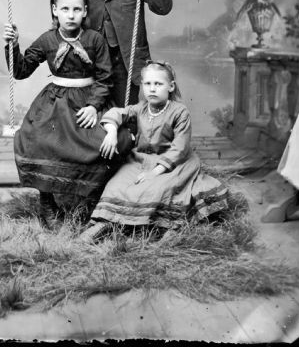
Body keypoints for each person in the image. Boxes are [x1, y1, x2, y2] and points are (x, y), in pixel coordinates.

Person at [3, 0, 131, 229]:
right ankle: (47, 202)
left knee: (105, 141)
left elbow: (105, 77)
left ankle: (89, 201)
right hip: (55, 102)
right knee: (35, 139)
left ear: (84, 12)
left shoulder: (94, 40)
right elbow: (21, 71)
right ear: (55, 10)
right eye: (64, 9)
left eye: (76, 10)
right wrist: (13, 45)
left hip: (88, 100)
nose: (70, 15)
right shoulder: (47, 39)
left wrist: (94, 106)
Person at [80, 61, 229, 242]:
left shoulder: (179, 111)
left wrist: (155, 172)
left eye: (158, 84)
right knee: (116, 185)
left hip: (174, 162)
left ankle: (165, 227)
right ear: (142, 86)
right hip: (141, 160)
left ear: (170, 86)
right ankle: (105, 223)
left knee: (159, 188)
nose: (152, 89)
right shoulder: (140, 108)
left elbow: (179, 148)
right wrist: (111, 132)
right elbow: (117, 113)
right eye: (148, 84)